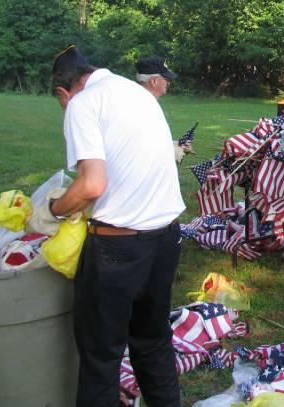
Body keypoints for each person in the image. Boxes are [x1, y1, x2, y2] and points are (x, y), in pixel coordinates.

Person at [44, 45, 185, 405]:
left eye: (60, 101)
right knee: (153, 341)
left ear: (63, 91)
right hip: (166, 237)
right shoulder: (135, 92)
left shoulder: (82, 103)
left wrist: (55, 209)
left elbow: (91, 185)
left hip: (118, 248)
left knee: (101, 354)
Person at [136, 56, 193, 163]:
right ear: (154, 81)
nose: (169, 83)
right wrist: (178, 150)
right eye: (166, 79)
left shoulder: (142, 101)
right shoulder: (144, 106)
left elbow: (152, 140)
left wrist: (177, 145)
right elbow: (144, 150)